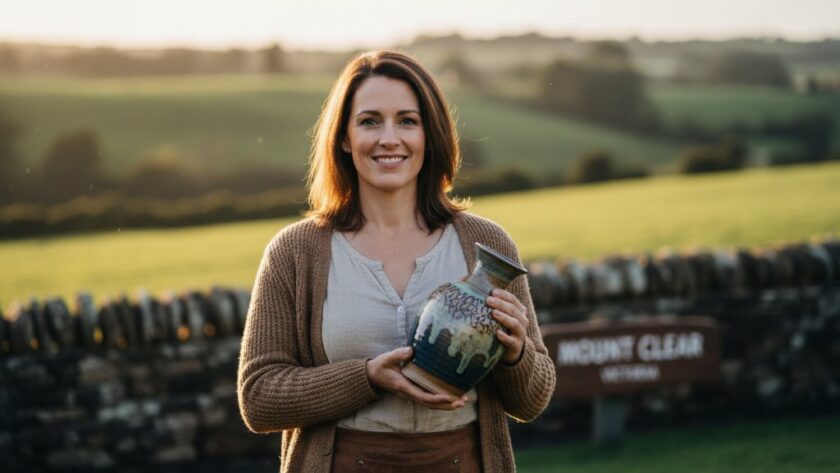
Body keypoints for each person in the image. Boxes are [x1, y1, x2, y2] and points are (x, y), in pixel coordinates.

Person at [237, 50, 556, 473]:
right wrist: (367, 378)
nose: (390, 138)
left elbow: (532, 402)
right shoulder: (295, 252)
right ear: (345, 138)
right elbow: (258, 398)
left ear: (430, 134)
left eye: (407, 120)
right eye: (370, 121)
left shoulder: (486, 244)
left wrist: (517, 355)